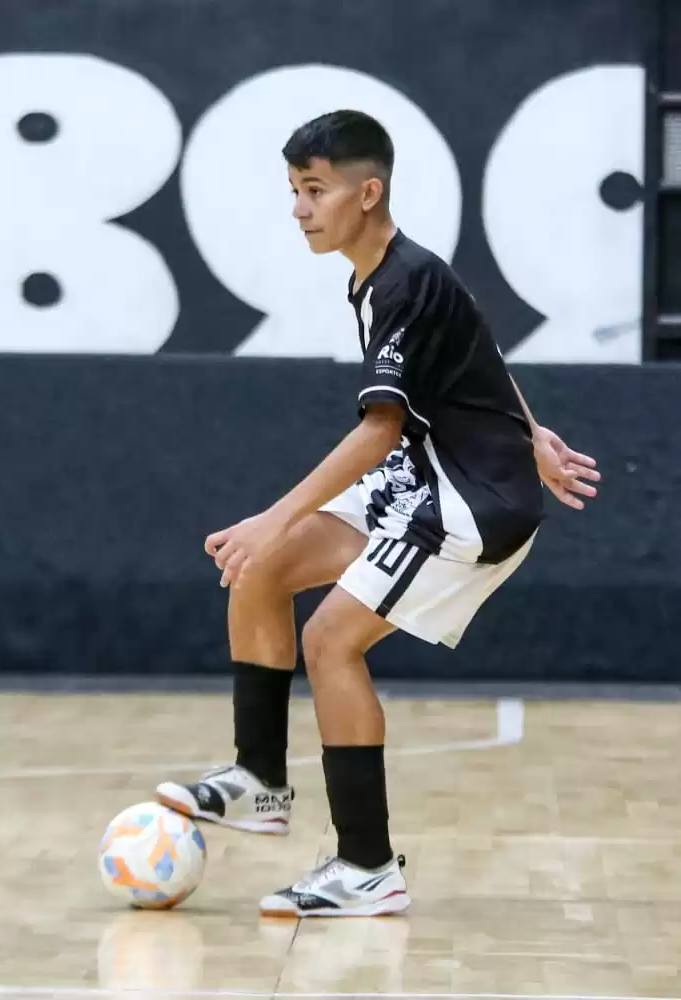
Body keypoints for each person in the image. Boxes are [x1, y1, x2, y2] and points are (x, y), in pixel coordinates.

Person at [154, 110, 600, 917]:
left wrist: (273, 514)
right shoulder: (394, 275)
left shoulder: (404, 280)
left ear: (369, 192)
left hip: (470, 504)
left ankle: (366, 866)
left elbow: (378, 429)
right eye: (294, 191)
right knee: (263, 572)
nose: (299, 208)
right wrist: (532, 431)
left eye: (314, 190)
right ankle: (259, 781)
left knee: (328, 641)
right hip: (430, 475)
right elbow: (480, 347)